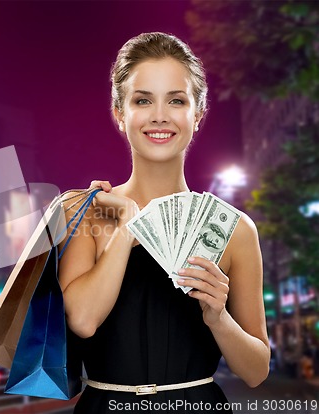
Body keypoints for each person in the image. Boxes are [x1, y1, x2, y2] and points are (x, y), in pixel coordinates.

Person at [58, 32, 270, 413]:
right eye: (143, 100)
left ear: (198, 114)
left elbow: (255, 371)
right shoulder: (86, 212)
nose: (159, 115)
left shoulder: (236, 229)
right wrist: (126, 225)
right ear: (120, 113)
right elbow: (83, 321)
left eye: (176, 100)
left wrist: (218, 318)